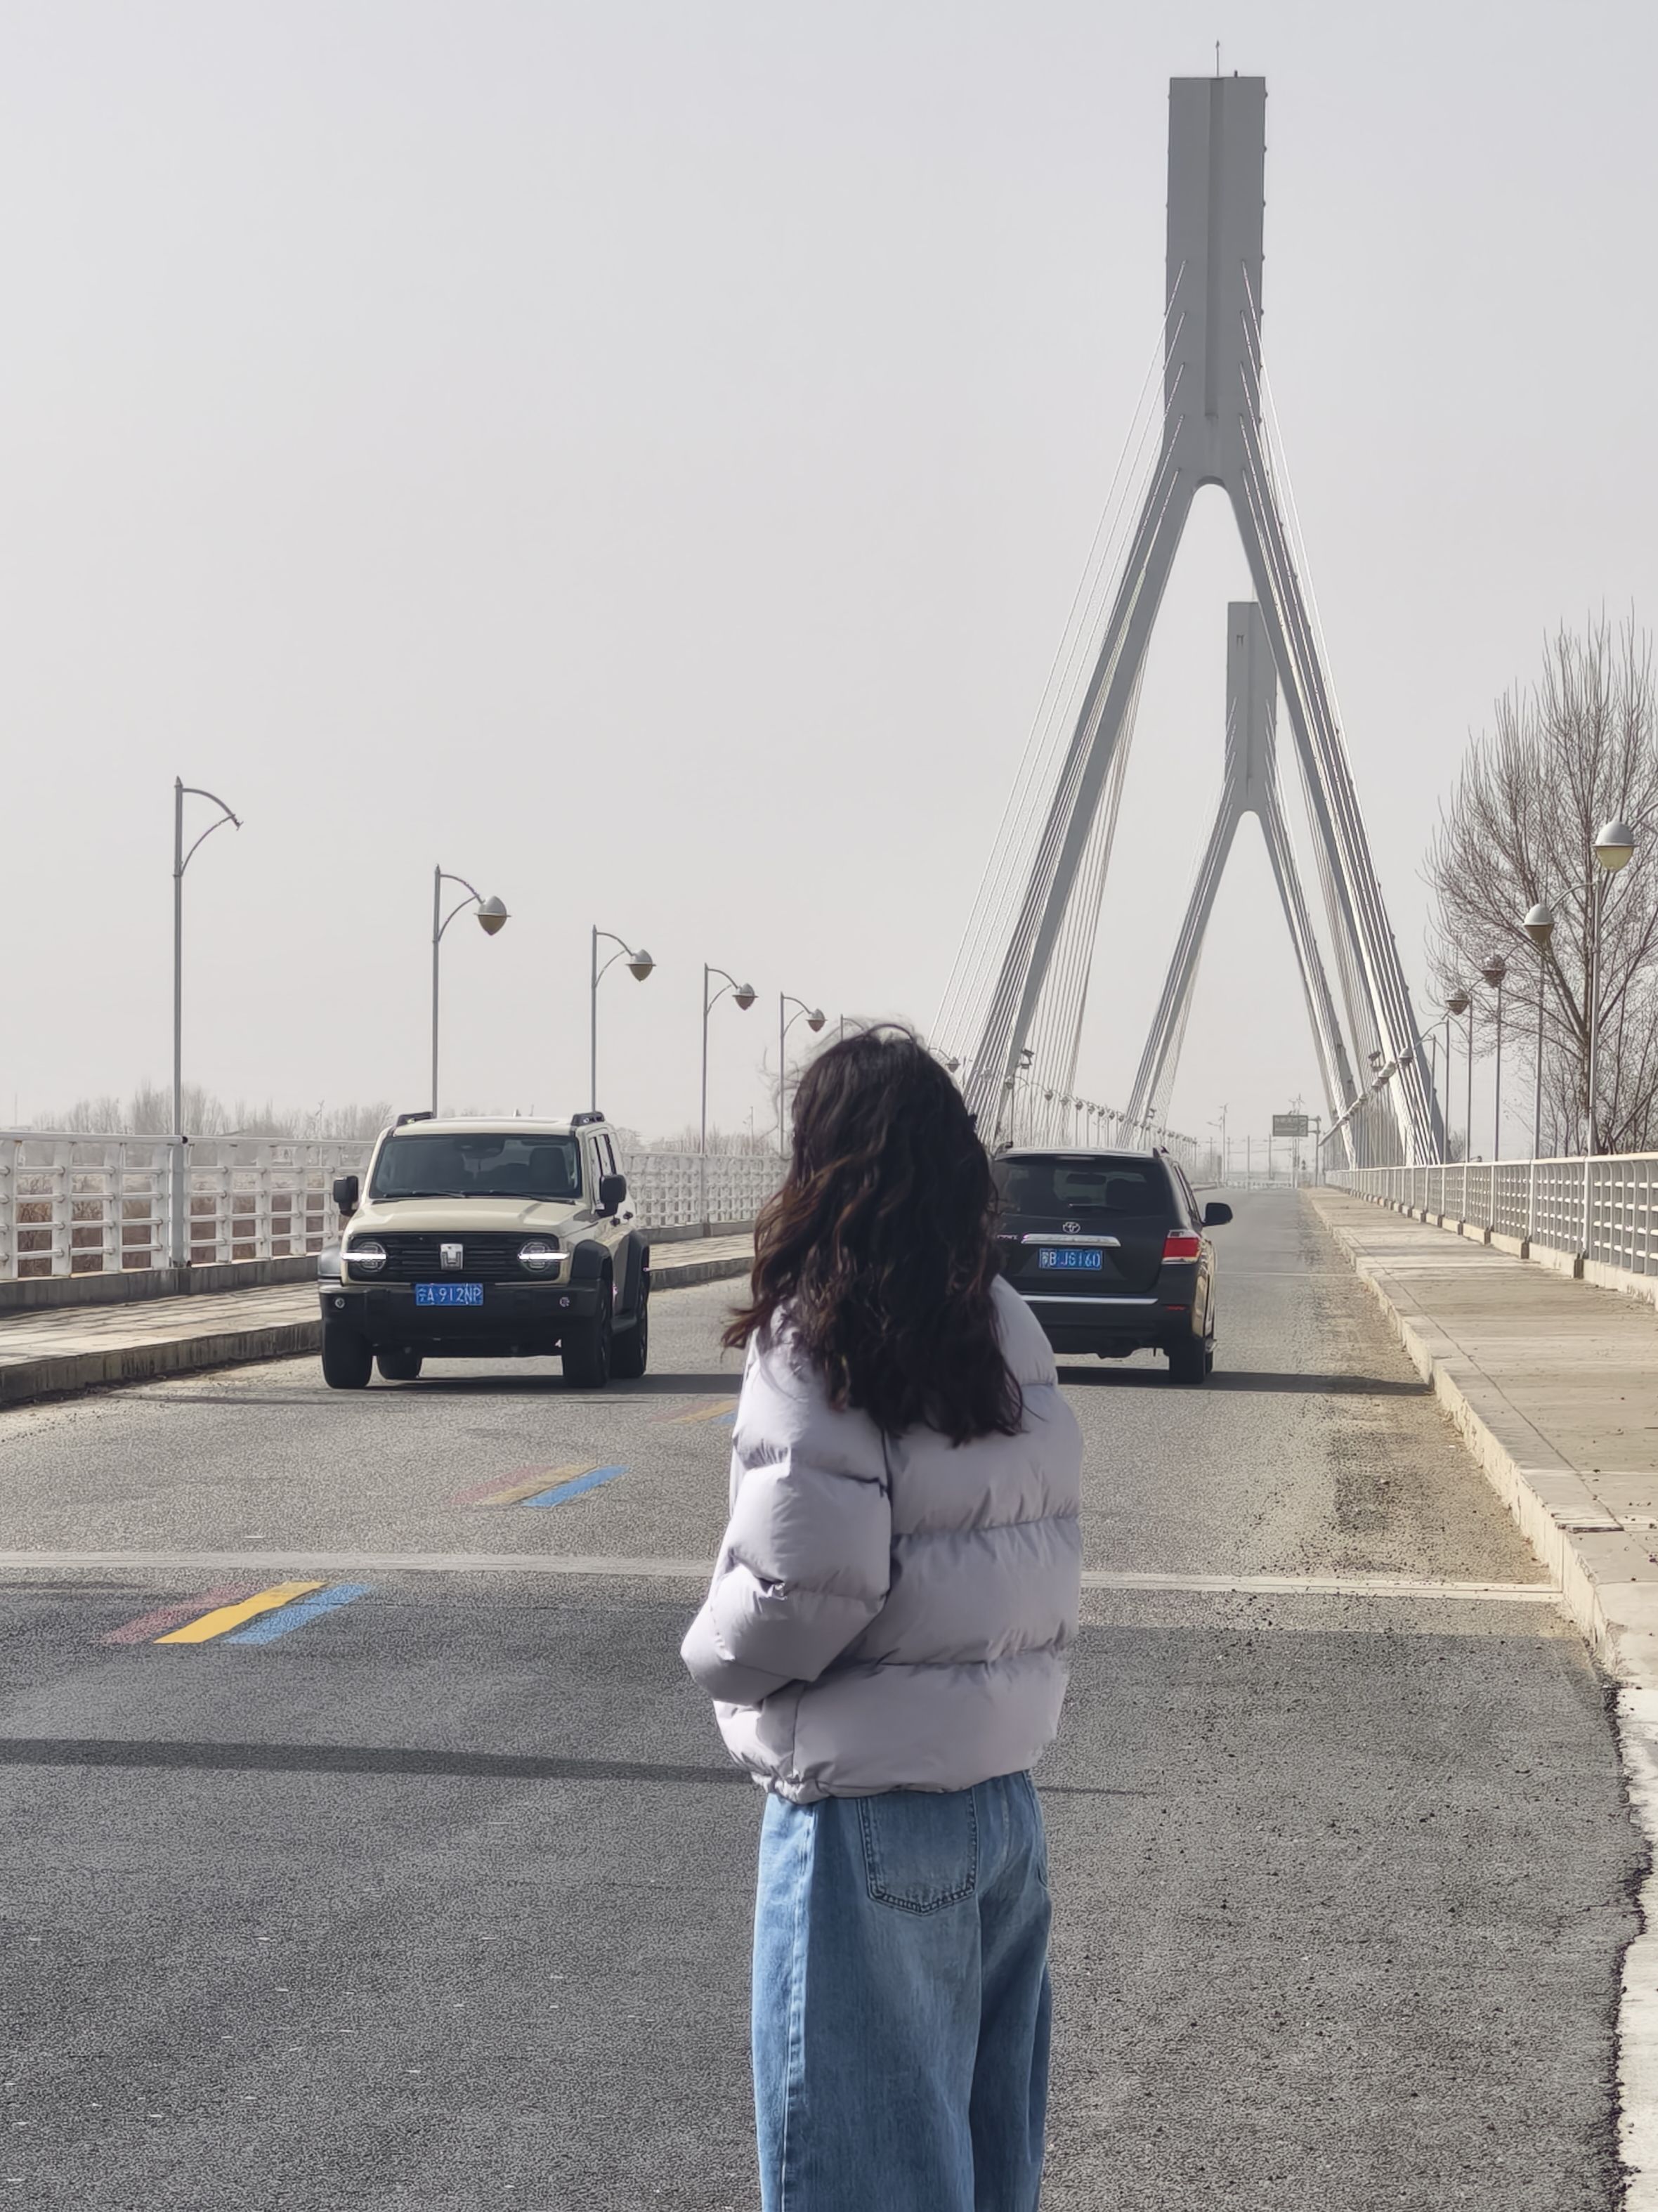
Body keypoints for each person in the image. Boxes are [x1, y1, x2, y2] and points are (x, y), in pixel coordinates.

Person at [681, 1027, 1083, 2212]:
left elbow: (806, 1586)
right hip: (1001, 1813)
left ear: (823, 1166)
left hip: (868, 1828)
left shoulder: (816, 1335)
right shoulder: (1004, 1325)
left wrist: (710, 1660)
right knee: (986, 2173)